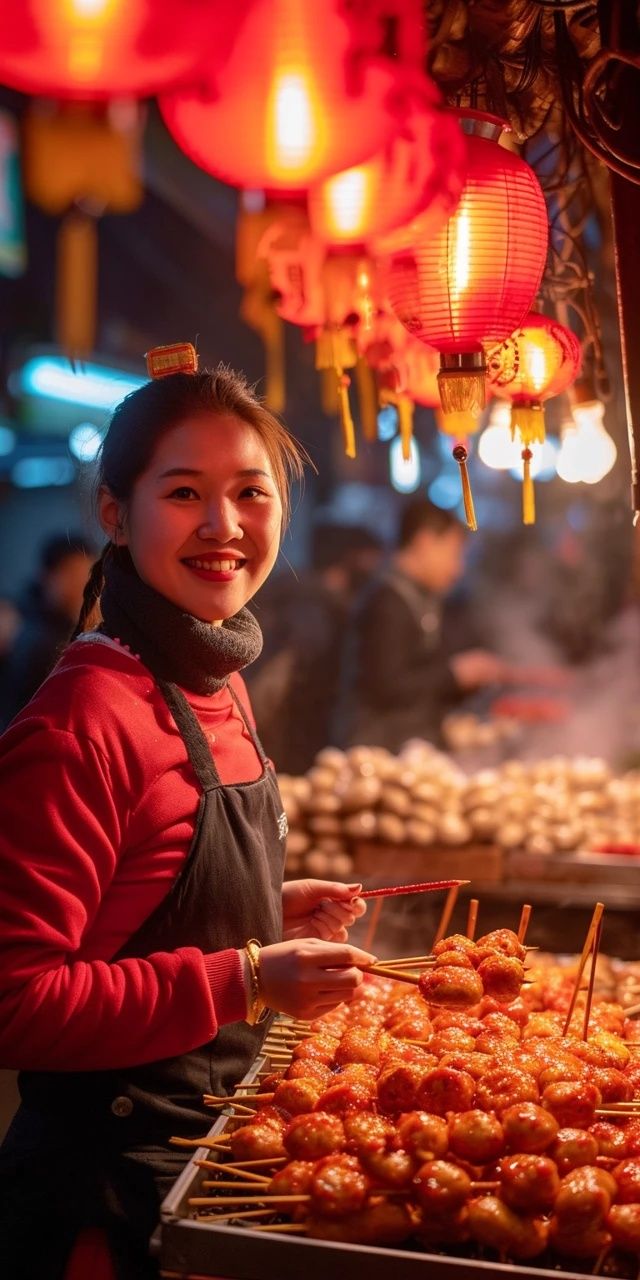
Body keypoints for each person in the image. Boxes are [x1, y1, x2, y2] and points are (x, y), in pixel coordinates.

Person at [0, 355, 374, 1280]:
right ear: (115, 515)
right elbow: (15, 1002)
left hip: (208, 1165)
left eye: (252, 491)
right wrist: (246, 974)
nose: (224, 526)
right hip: (108, 1202)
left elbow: (138, 899)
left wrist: (261, 909)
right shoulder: (83, 716)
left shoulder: (216, 677)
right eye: (184, 492)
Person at [335, 498, 506, 753]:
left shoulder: (418, 596)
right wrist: (455, 674)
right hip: (377, 753)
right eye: (455, 553)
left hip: (409, 745)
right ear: (425, 542)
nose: (458, 569)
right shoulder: (386, 600)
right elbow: (386, 686)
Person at [246, 521, 383, 771]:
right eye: (369, 561)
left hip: (274, 734)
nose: (374, 570)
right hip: (292, 740)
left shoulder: (295, 593)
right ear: (348, 559)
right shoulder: (316, 609)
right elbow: (296, 677)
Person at [0, 532, 95, 729]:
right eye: (71, 574)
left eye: (86, 575)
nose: (80, 586)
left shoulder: (40, 623)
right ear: (46, 576)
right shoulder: (37, 638)